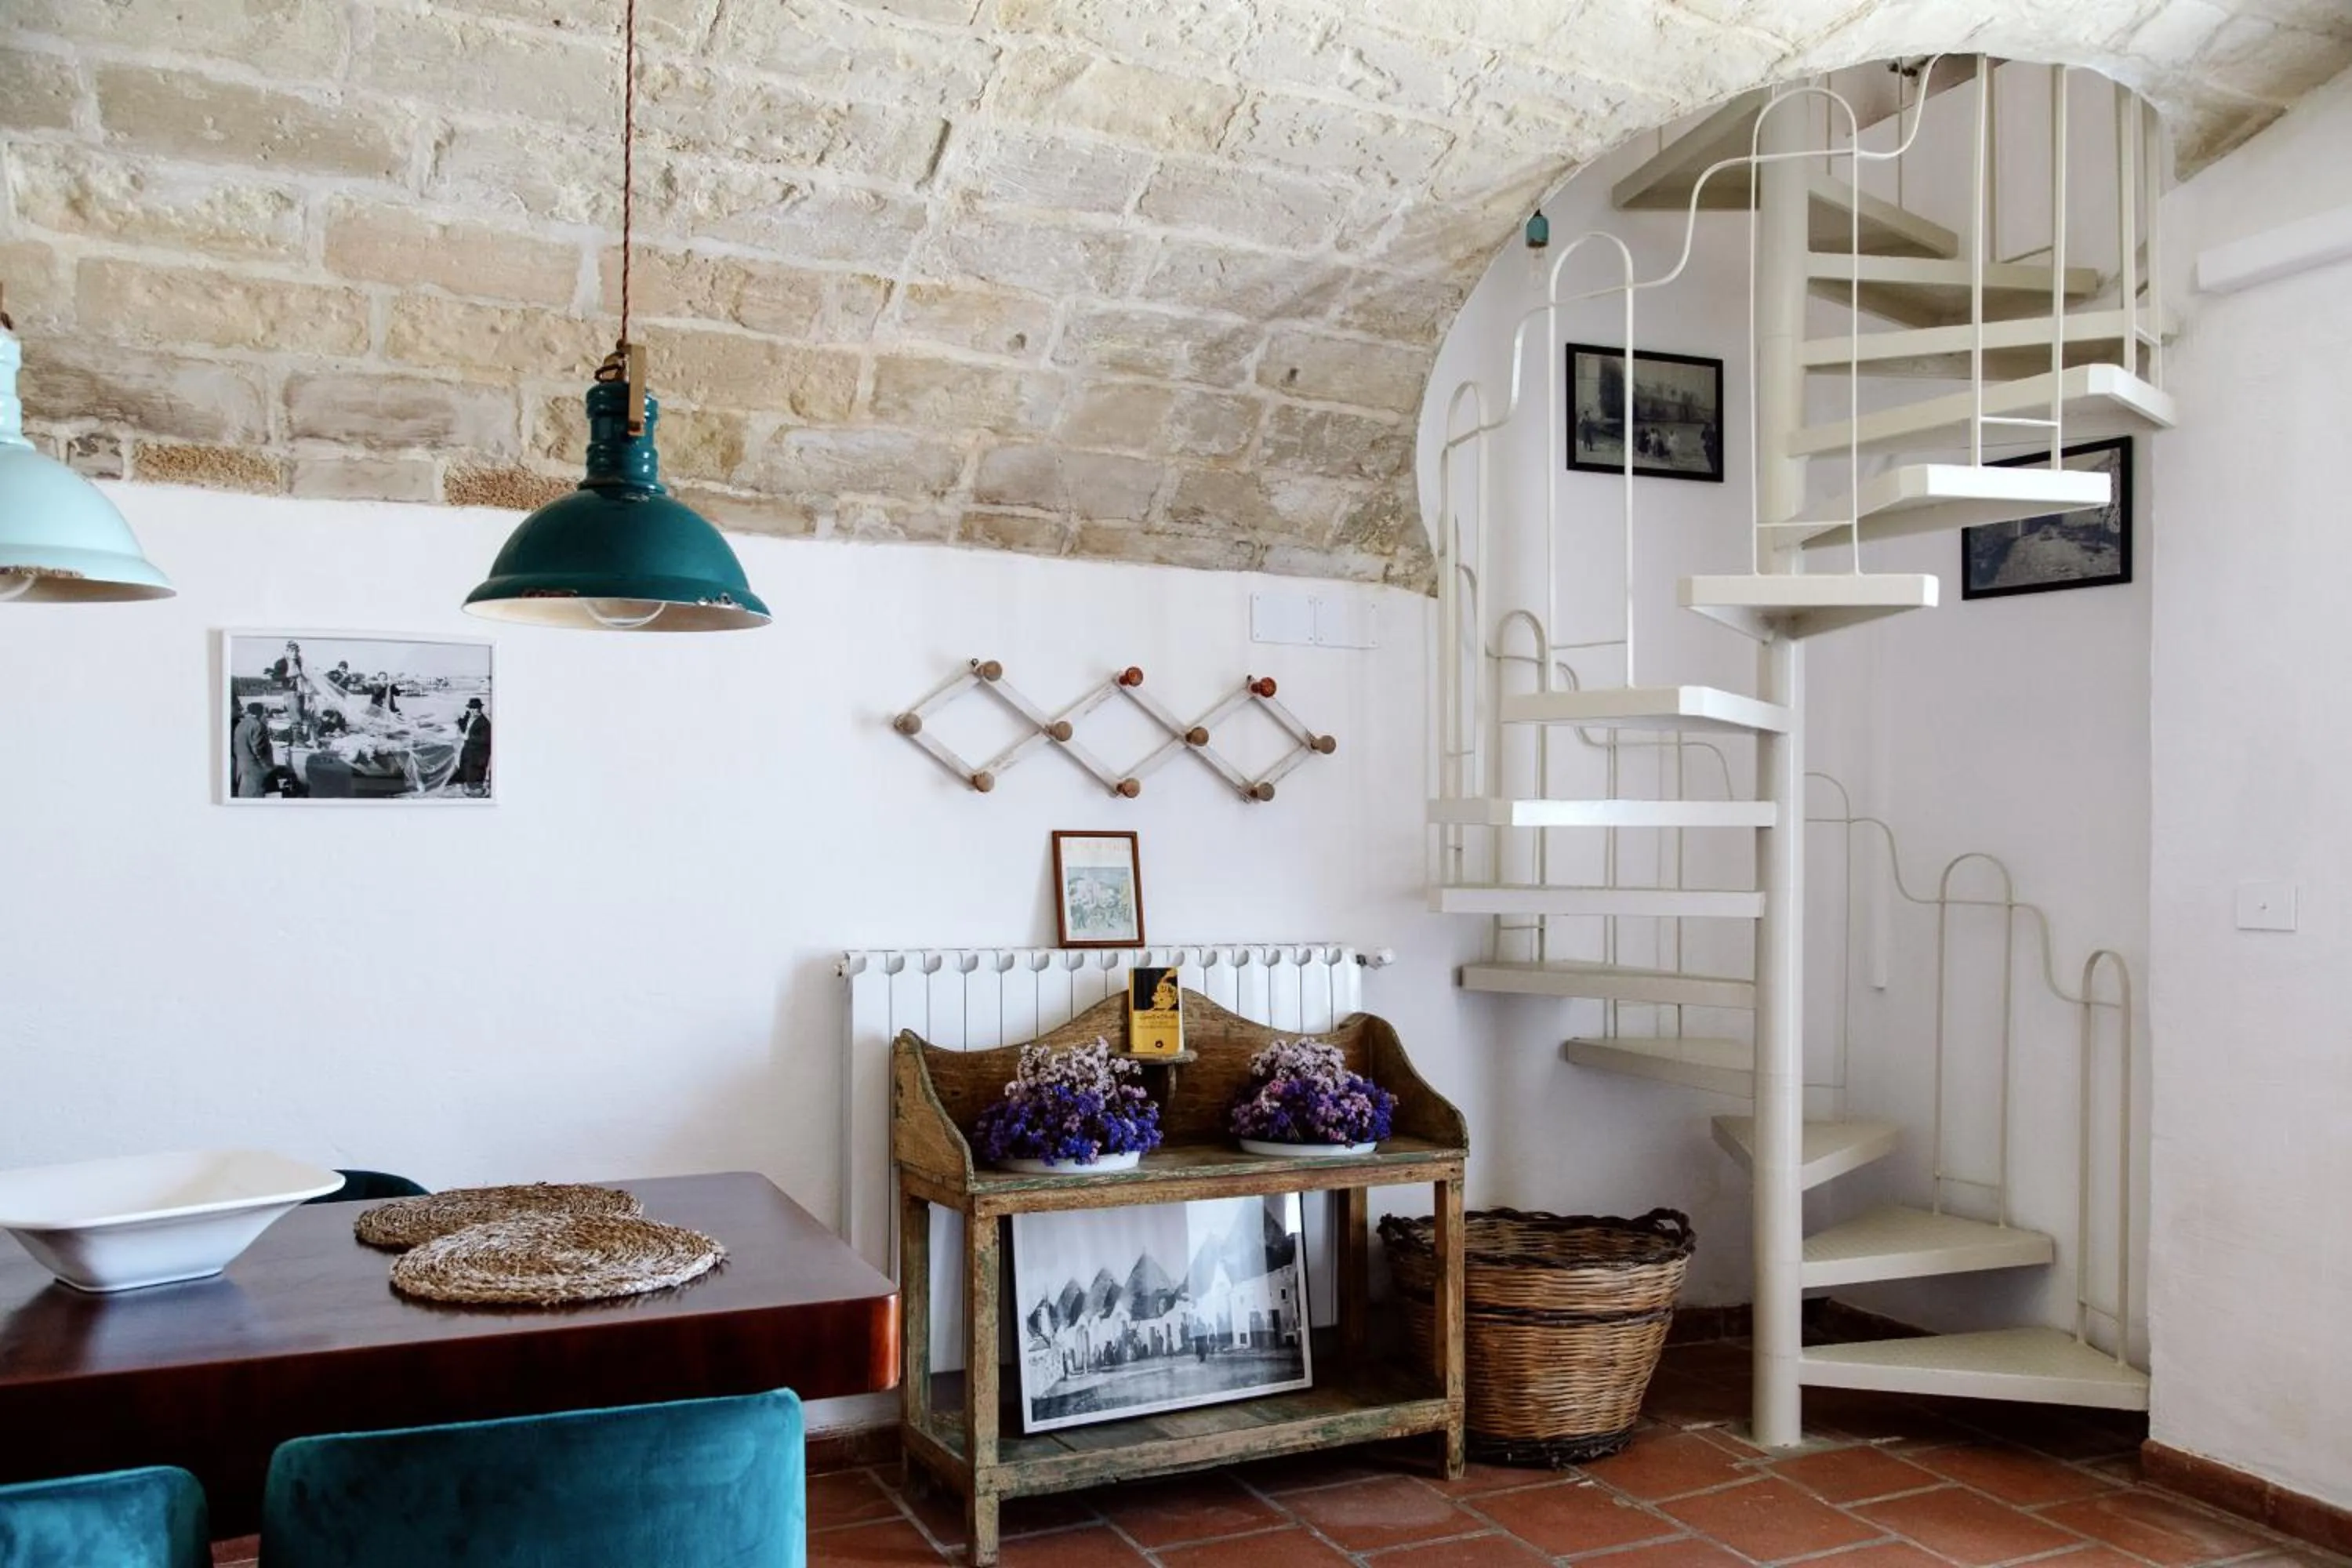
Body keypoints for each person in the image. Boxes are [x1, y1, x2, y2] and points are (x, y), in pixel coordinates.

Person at [231, 702, 274, 798]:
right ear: (259, 712)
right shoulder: (258, 725)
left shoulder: (240, 725)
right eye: (264, 712)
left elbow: (235, 748)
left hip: (242, 768)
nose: (265, 715)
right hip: (255, 770)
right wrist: (267, 767)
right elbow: (259, 750)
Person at [455, 697, 492, 797]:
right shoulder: (470, 717)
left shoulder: (484, 723)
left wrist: (467, 737)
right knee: (465, 771)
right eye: (471, 708)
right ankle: (469, 789)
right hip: (468, 751)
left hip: (478, 755)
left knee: (474, 775)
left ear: (480, 709)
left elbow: (484, 740)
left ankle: (478, 792)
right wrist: (458, 721)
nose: (472, 710)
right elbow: (465, 726)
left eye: (474, 708)